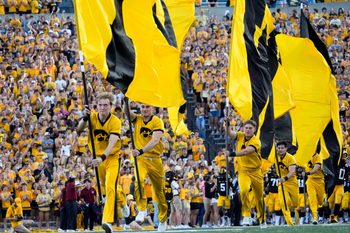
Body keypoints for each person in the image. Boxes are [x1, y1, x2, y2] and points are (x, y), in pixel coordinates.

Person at [78, 92, 122, 233]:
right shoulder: (92, 117)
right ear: (96, 106)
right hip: (98, 158)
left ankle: (107, 221)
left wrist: (102, 158)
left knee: (110, 186)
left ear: (110, 106)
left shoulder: (115, 121)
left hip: (111, 157)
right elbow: (79, 129)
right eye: (100, 105)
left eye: (105, 105)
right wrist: (85, 119)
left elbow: (112, 142)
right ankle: (123, 201)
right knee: (104, 187)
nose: (102, 108)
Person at [129, 103, 168, 232]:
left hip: (155, 159)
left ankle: (162, 219)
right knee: (138, 180)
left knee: (159, 191)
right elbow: (127, 113)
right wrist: (126, 101)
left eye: (147, 107)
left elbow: (155, 140)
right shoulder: (137, 119)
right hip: (141, 159)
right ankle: (141, 209)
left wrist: (140, 150)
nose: (145, 109)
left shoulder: (157, 121)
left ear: (152, 108)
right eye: (142, 107)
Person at [226, 120, 264, 226]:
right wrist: (228, 125)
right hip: (243, 170)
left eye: (250, 128)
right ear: (243, 128)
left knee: (259, 197)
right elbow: (230, 133)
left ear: (254, 129)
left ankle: (261, 217)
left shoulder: (256, 141)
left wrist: (231, 153)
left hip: (256, 171)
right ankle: (246, 215)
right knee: (243, 191)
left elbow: (246, 151)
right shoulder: (240, 136)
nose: (247, 130)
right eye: (246, 128)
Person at [274, 141, 298, 225]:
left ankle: (293, 214)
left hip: (291, 181)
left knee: (295, 203)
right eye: (278, 148)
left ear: (286, 149)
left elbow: (292, 171)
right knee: (284, 201)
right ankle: (289, 221)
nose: (280, 150)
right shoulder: (275, 156)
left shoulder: (291, 158)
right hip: (282, 182)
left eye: (282, 148)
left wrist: (285, 178)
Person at [304, 152, 325, 224]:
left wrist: (307, 173)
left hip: (320, 181)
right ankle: (315, 218)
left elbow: (316, 168)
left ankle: (320, 214)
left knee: (320, 201)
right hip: (310, 181)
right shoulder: (305, 156)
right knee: (312, 199)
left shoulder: (318, 157)